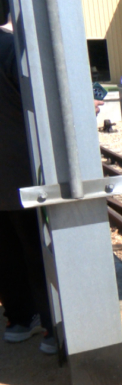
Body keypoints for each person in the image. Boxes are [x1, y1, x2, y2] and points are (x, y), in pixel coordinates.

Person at [0, 27, 56, 354]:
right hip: (23, 174)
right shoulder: (13, 46)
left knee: (5, 252)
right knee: (38, 250)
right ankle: (52, 325)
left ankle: (19, 318)